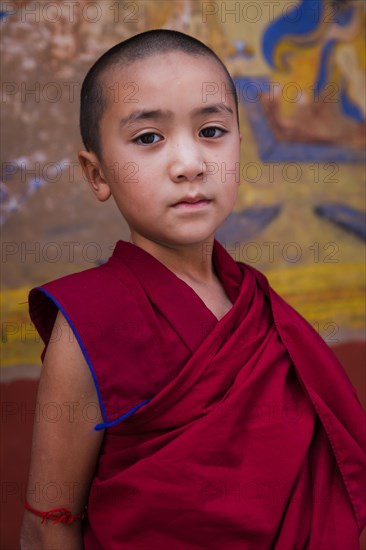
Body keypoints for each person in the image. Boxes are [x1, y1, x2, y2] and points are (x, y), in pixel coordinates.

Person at [21, 29, 365, 550]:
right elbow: (51, 520)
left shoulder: (261, 310)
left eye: (211, 130)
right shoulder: (90, 321)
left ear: (238, 148)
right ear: (97, 173)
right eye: (147, 138)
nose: (190, 164)